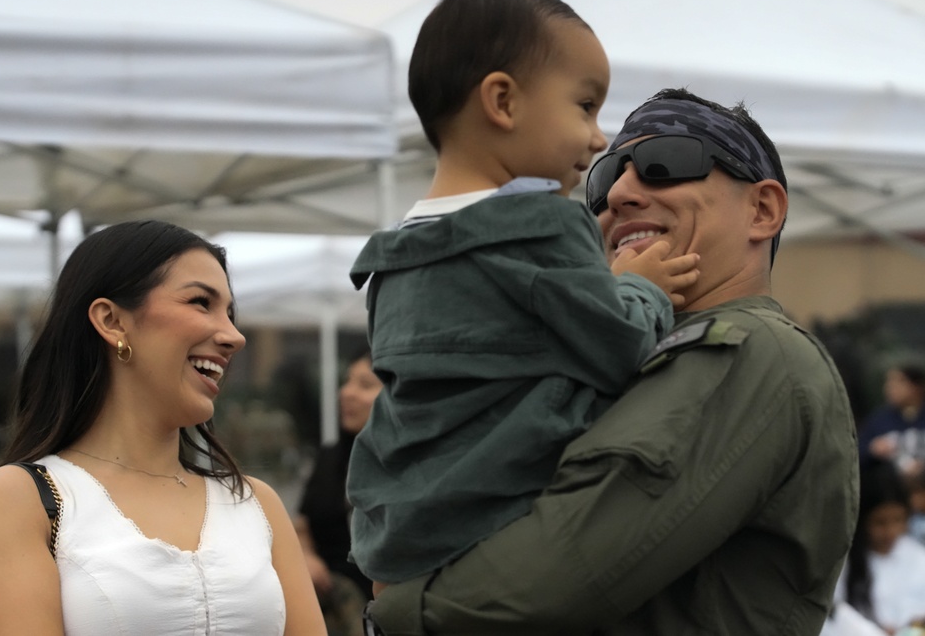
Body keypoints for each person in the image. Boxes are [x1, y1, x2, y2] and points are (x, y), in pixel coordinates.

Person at [365, 88, 859, 635]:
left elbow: (554, 577)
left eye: (664, 163)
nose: (619, 194)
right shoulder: (626, 353)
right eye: (601, 182)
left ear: (762, 210)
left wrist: (394, 609)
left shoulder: (750, 350)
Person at [347, 0, 700, 587]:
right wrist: (640, 288)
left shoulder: (393, 257)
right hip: (510, 526)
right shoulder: (542, 227)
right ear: (503, 101)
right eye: (585, 106)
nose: (598, 138)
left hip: (410, 533)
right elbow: (622, 348)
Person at [0, 220, 326, 636]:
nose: (234, 336)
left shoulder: (256, 503)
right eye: (201, 302)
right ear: (111, 321)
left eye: (230, 313)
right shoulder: (23, 498)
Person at [295, 351, 381, 635]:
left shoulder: (409, 466)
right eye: (347, 382)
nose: (346, 393)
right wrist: (306, 556)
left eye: (365, 385)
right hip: (328, 591)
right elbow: (302, 522)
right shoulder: (331, 458)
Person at [831, 460, 925, 633]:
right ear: (862, 520)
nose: (890, 532)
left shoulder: (919, 558)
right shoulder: (842, 564)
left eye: (898, 520)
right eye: (880, 523)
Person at [859, 361, 925, 475]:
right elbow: (857, 455)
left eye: (898, 383)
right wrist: (873, 450)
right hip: (892, 488)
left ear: (916, 387)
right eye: (888, 383)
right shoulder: (880, 420)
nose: (889, 388)